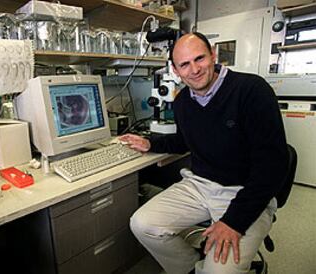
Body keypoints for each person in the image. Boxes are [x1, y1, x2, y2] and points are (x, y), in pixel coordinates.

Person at [119, 32, 288, 274]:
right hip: (200, 185)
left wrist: (233, 222)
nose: (194, 70)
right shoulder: (183, 102)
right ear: (176, 71)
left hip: (246, 191)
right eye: (184, 64)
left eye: (199, 59)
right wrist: (150, 143)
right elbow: (185, 140)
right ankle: (190, 268)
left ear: (213, 55)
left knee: (219, 271)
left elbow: (273, 166)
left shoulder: (251, 90)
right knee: (142, 224)